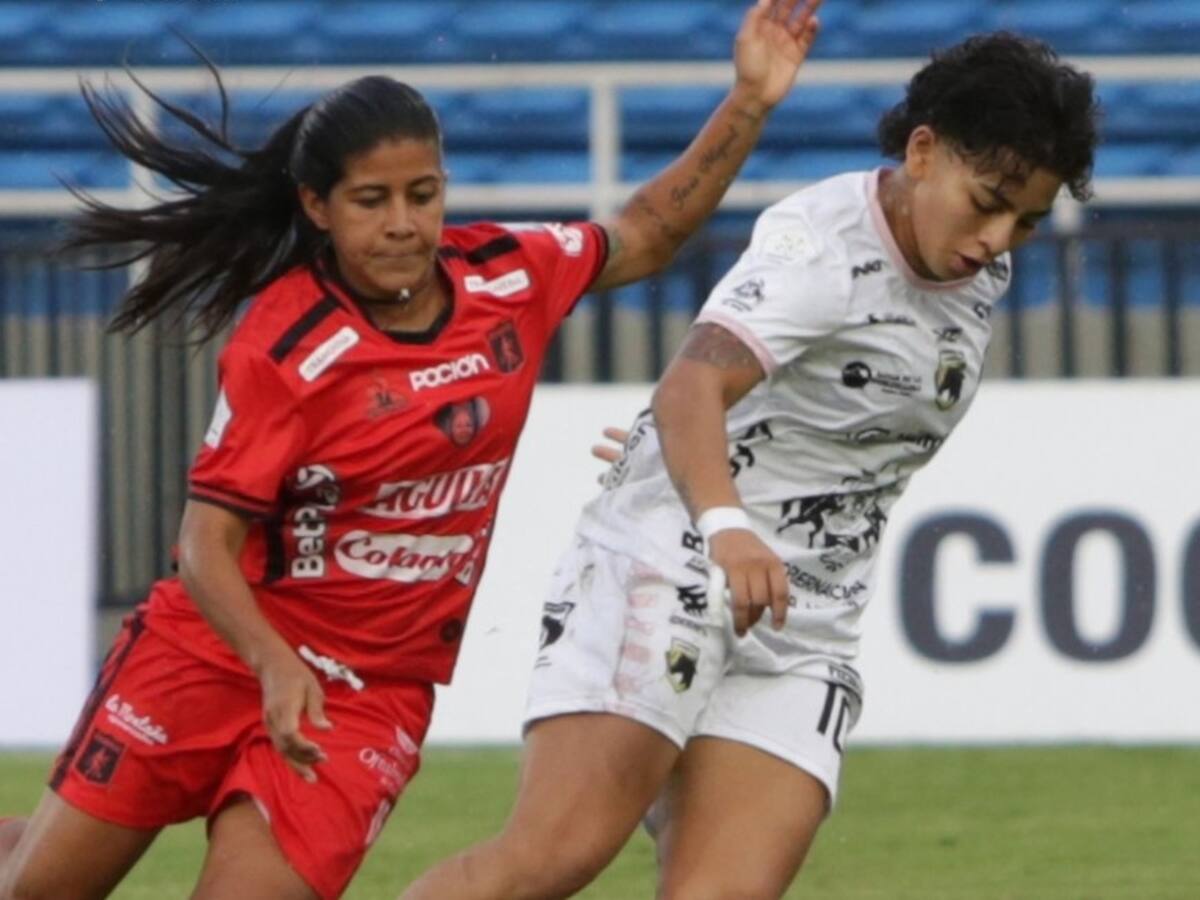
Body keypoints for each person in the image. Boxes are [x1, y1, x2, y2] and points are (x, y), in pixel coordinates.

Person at [0, 2, 822, 898]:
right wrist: (273, 662)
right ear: (317, 206)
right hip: (214, 653)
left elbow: (649, 233)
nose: (401, 223)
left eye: (421, 195)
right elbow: (206, 547)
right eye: (371, 200)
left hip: (365, 695)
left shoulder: (508, 277)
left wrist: (751, 98)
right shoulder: (286, 344)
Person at [401, 29, 1099, 900]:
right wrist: (721, 517)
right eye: (989, 201)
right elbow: (691, 388)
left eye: (1026, 220)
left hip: (803, 623)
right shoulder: (820, 250)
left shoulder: (971, 272)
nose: (999, 238)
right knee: (552, 858)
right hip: (677, 562)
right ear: (922, 151)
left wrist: (719, 466)